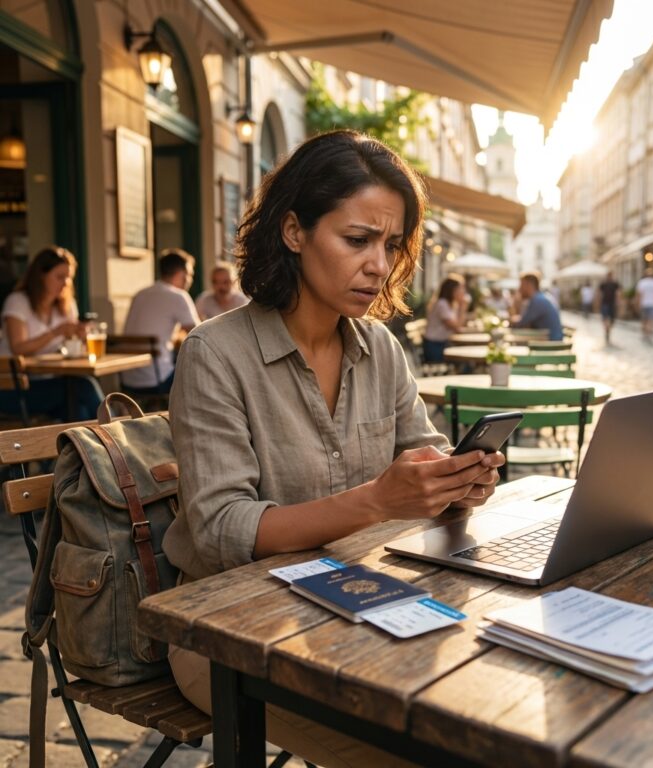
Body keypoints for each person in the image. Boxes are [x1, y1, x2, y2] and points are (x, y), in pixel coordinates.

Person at [162, 130, 505, 768]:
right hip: (231, 632)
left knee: (494, 698)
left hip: (363, 600)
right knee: (425, 749)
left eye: (392, 244)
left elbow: (423, 456)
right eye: (358, 240)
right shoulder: (217, 353)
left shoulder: (380, 350)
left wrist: (457, 482)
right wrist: (379, 500)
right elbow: (218, 529)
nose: (379, 264)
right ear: (294, 231)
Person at [0, 246, 103, 421]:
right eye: (59, 277)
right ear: (41, 275)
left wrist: (80, 336)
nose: (65, 283)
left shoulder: (66, 305)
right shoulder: (18, 302)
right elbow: (18, 348)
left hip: (50, 382)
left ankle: (90, 447)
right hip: (14, 388)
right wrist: (57, 332)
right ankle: (119, 438)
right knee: (82, 387)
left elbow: (73, 350)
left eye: (69, 277)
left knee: (78, 411)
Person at [120, 248, 200, 395]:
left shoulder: (139, 294)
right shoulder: (178, 296)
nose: (190, 280)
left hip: (128, 379)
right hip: (157, 379)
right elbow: (201, 337)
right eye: (190, 275)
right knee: (200, 372)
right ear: (182, 274)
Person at [422, 274, 468, 362]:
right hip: (434, 347)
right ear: (452, 290)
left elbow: (457, 327)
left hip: (442, 344)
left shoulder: (450, 304)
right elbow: (456, 327)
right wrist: (462, 307)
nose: (463, 292)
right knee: (465, 364)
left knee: (466, 362)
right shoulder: (442, 304)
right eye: (460, 289)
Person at [513, 271, 563, 340]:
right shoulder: (542, 297)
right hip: (552, 341)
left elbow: (521, 323)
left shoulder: (537, 301)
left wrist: (517, 303)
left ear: (528, 285)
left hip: (550, 344)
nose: (519, 289)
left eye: (521, 285)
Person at [635, 267, 653, 342]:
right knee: (652, 320)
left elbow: (639, 295)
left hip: (644, 304)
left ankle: (645, 334)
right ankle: (650, 334)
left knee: (644, 320)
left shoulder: (642, 282)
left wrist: (637, 304)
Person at [598, 271, 621, 345]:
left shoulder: (615, 284)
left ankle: (608, 330)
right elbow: (599, 293)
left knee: (612, 320)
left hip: (612, 304)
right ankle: (607, 330)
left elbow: (618, 293)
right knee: (605, 318)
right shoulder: (603, 284)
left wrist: (618, 302)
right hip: (605, 304)